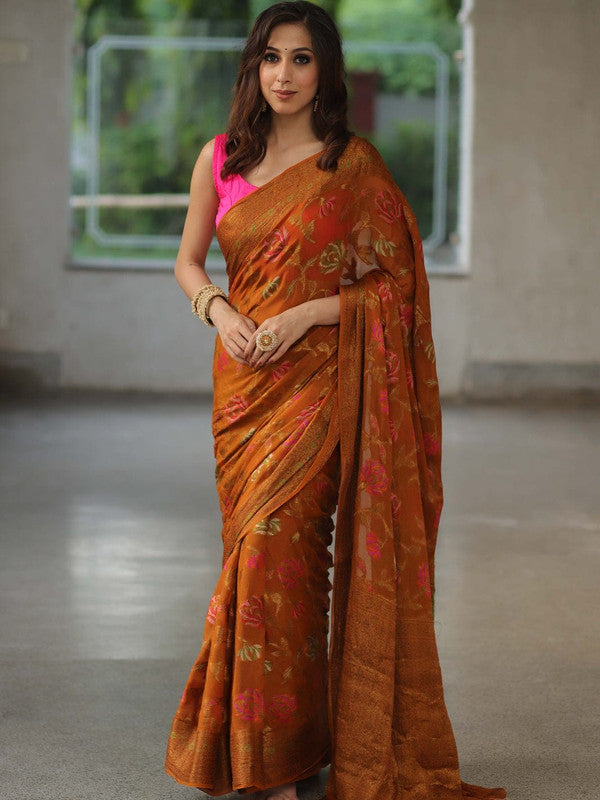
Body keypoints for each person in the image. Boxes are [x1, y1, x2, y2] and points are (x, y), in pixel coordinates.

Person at [165, 3, 507, 800]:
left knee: (284, 556)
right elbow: (186, 261)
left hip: (319, 385)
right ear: (253, 66)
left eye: (302, 59)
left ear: (326, 72)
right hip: (242, 390)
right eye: (271, 58)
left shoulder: (351, 165)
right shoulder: (221, 157)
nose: (283, 75)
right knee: (250, 558)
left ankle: (279, 765)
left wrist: (307, 314)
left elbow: (398, 285)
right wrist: (219, 311)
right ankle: (274, 746)